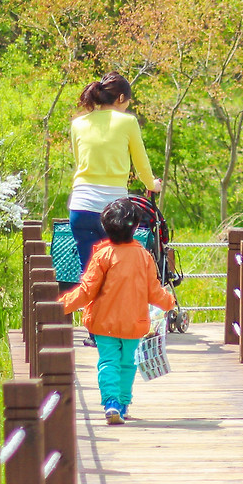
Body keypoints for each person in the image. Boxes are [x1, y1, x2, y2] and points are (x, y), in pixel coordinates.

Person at [59, 198, 177, 425]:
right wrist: (169, 301)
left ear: (105, 227)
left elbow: (87, 290)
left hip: (104, 324)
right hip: (134, 323)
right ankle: (123, 404)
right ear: (135, 228)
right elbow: (154, 291)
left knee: (108, 362)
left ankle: (111, 402)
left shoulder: (103, 255)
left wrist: (62, 304)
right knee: (128, 363)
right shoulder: (143, 256)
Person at [67, 71, 161, 345]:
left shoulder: (78, 123)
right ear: (121, 98)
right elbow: (141, 165)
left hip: (82, 206)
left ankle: (94, 333)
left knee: (90, 271)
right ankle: (117, 329)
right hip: (115, 212)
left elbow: (79, 160)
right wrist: (152, 184)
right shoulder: (127, 122)